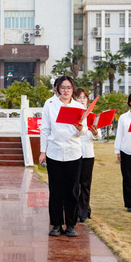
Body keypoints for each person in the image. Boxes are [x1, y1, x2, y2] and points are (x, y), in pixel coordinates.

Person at [38, 76, 87, 237]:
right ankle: (56, 224)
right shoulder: (50, 104)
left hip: (73, 152)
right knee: (56, 190)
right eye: (63, 87)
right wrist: (43, 151)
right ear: (57, 88)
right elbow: (45, 129)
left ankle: (71, 225)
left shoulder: (78, 106)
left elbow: (84, 130)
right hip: (54, 152)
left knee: (72, 191)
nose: (66, 91)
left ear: (73, 89)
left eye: (69, 88)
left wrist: (80, 128)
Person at [75, 88, 101, 222]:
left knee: (85, 184)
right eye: (79, 97)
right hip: (74, 154)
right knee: (75, 184)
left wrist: (95, 132)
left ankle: (84, 211)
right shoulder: (73, 114)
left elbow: (98, 135)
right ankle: (75, 210)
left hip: (88, 154)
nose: (82, 100)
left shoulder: (92, 116)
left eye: (84, 98)